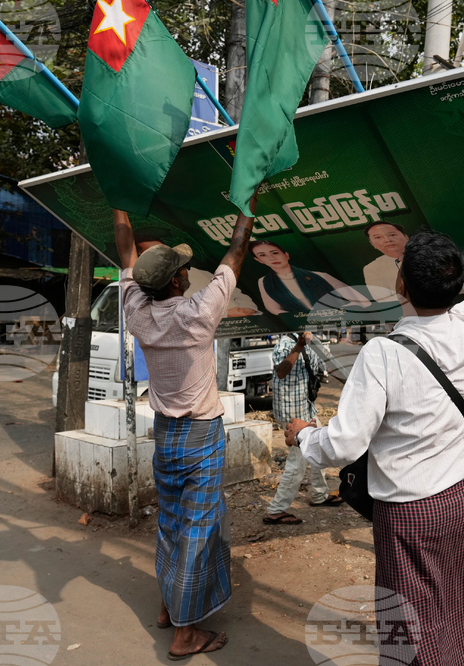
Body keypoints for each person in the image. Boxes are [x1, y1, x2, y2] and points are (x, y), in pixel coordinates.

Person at [285, 145, 464, 665]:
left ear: (401, 284)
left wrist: (301, 434)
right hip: (456, 499)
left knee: (407, 621)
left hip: (405, 510)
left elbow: (343, 443)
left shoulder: (382, 353)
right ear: (459, 285)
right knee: (451, 609)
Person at [112, 196, 258, 660]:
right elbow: (236, 251)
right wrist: (247, 195)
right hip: (200, 434)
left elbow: (124, 257)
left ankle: (168, 606)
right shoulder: (197, 314)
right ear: (176, 280)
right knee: (199, 527)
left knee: (172, 522)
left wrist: (121, 202)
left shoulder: (137, 312)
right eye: (180, 269)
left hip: (165, 435)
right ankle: (185, 633)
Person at [263, 331, 344, 525]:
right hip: (292, 411)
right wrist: (298, 347)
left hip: (307, 406)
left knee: (321, 444)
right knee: (297, 462)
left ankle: (319, 494)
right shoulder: (283, 344)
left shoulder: (314, 341)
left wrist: (351, 381)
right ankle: (276, 509)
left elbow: (329, 366)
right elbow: (281, 372)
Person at [134, 233, 259, 318]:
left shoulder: (140, 316)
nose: (186, 270)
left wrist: (246, 307)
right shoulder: (192, 317)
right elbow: (233, 258)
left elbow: (236, 293)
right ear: (175, 282)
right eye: (183, 267)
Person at [250, 240, 370, 315]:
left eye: (275, 253)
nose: (272, 258)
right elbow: (273, 308)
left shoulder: (320, 276)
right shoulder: (264, 282)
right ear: (258, 260)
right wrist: (299, 319)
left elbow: (363, 301)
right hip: (304, 329)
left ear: (286, 255)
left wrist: (338, 312)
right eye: (263, 255)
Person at [362, 221, 409, 302]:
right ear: (373, 244)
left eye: (392, 235)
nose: (387, 240)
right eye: (378, 237)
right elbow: (382, 299)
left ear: (406, 237)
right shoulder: (372, 268)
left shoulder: (433, 253)